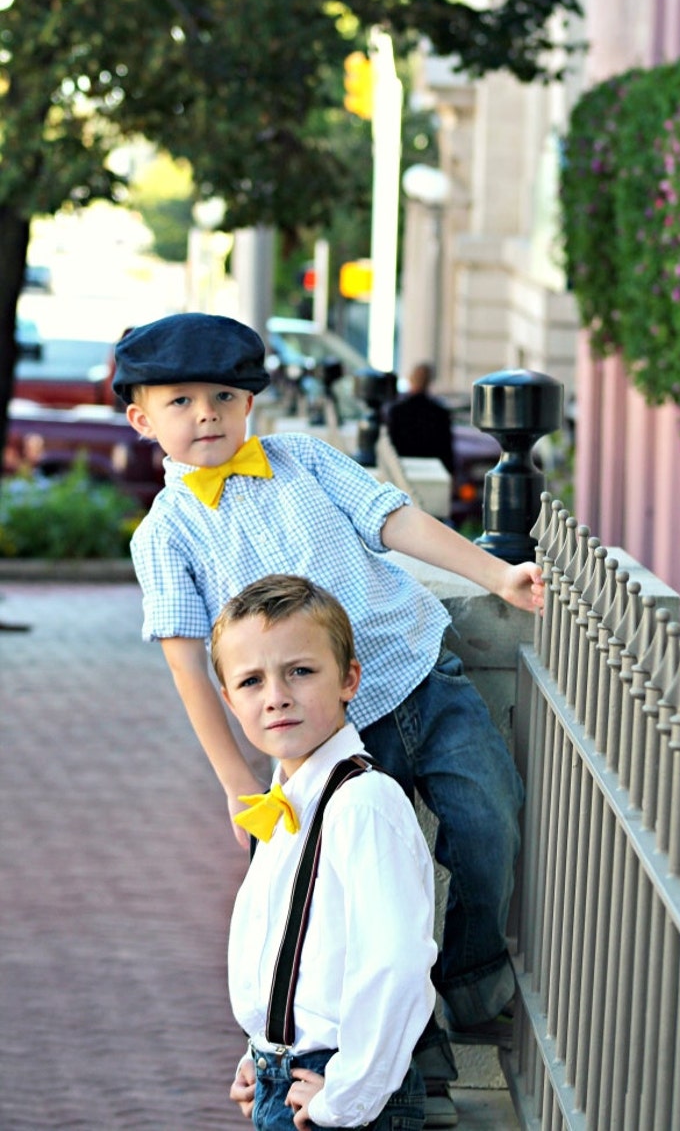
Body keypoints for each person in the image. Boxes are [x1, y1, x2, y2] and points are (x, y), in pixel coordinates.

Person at [113, 312, 543, 1128]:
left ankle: (466, 985)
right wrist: (238, 784)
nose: (205, 413)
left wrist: (497, 574)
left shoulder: (304, 460)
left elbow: (395, 521)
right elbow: (187, 664)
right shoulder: (165, 534)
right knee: (348, 908)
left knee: (490, 820)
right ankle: (406, 1064)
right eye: (179, 401)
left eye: (223, 395)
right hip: (326, 738)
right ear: (142, 419)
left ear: (250, 403)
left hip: (420, 677)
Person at [212, 574, 436, 1130]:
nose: (276, 696)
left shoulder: (362, 803)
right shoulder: (286, 802)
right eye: (250, 682)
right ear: (229, 701)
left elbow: (395, 963)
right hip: (285, 1078)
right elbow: (291, 953)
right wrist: (259, 1051)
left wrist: (347, 1096)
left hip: (340, 1086)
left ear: (349, 679)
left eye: (300, 671)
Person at [385, 362, 455, 475]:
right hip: (432, 472)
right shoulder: (440, 413)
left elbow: (391, 446)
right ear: (429, 382)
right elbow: (446, 451)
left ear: (411, 379)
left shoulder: (397, 411)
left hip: (404, 470)